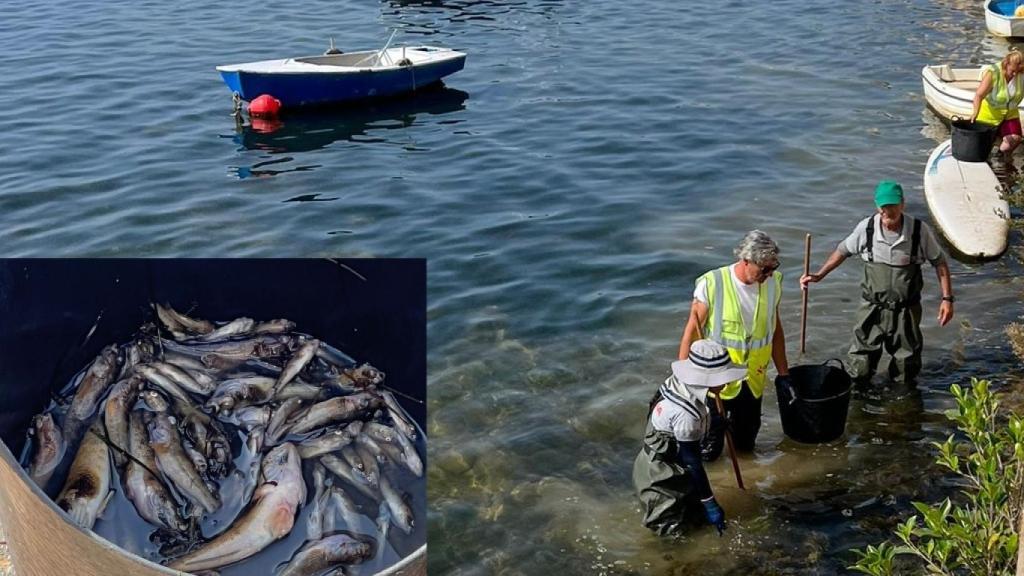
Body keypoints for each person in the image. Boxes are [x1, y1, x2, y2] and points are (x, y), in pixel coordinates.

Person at [800, 180, 954, 385]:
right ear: (877, 206)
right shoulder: (866, 229)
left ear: (902, 204)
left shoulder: (918, 231)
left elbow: (940, 263)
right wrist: (820, 275)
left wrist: (947, 299)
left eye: (892, 205)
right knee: (860, 365)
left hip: (905, 311)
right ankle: (860, 407)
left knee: (905, 367)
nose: (887, 210)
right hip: (871, 308)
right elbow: (842, 251)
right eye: (883, 206)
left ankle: (902, 409)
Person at [677, 230, 791, 461]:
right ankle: (709, 488)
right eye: (764, 269)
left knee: (746, 443)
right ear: (745, 260)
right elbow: (691, 332)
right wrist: (683, 381)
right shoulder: (712, 283)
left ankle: (748, 481)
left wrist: (784, 374)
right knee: (709, 447)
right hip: (716, 381)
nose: (769, 274)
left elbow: (775, 329)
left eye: (773, 268)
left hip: (753, 377)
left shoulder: (773, 283)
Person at [632, 339, 748, 536]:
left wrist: (714, 425)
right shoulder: (686, 415)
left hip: (674, 465)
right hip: (659, 476)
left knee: (696, 522)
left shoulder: (679, 383)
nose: (727, 382)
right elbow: (693, 461)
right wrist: (710, 502)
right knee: (673, 535)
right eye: (723, 377)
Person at [971, 50, 1024, 169]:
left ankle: (1001, 154)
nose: (1016, 75)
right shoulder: (993, 73)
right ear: (1007, 64)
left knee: (1016, 138)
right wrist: (975, 113)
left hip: (1010, 114)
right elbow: (979, 95)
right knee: (982, 149)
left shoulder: (1021, 74)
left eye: (1019, 72)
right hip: (989, 115)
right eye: (1013, 71)